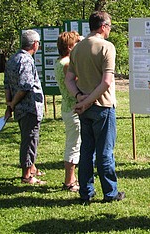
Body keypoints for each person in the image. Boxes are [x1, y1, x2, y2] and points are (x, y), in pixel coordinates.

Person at [65, 11, 125, 203]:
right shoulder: (106, 47)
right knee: (105, 152)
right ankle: (110, 192)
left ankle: (86, 192)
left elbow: (69, 79)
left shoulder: (77, 48)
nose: (109, 31)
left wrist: (79, 98)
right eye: (109, 27)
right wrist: (88, 100)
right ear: (103, 26)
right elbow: (106, 82)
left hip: (84, 108)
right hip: (103, 106)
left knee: (86, 151)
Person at [4, 29, 46, 185]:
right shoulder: (26, 60)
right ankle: (27, 175)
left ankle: (32, 167)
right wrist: (13, 104)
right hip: (30, 108)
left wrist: (9, 105)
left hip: (20, 109)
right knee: (29, 140)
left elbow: (7, 85)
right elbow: (25, 86)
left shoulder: (12, 59)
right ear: (35, 44)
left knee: (28, 137)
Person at [55, 31, 83, 192]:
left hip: (67, 106)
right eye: (77, 43)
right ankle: (69, 180)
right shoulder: (67, 64)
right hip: (73, 108)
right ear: (70, 47)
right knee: (74, 145)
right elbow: (77, 84)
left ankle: (72, 178)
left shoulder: (60, 62)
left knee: (73, 143)